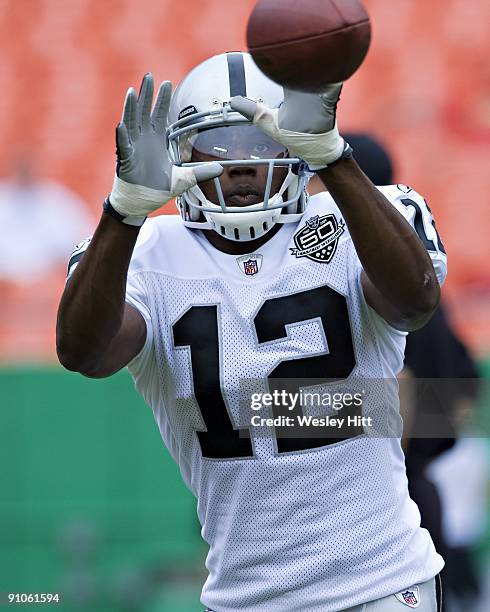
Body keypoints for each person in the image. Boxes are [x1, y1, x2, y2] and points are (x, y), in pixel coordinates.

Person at [56, 52, 447, 611]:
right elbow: (83, 352)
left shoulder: (362, 215)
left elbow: (414, 302)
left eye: (259, 141)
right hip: (245, 594)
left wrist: (335, 160)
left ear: (294, 142)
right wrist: (122, 212)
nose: (238, 164)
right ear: (179, 153)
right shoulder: (143, 255)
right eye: (218, 144)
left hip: (382, 580)